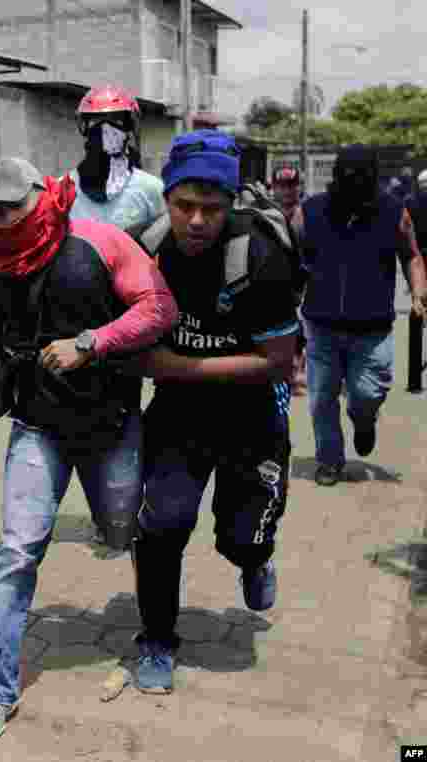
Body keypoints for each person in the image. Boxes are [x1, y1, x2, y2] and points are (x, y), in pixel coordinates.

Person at [0, 157, 177, 742]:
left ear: (44, 196)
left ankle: (155, 631)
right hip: (37, 427)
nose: (4, 219)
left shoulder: (99, 242)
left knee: (117, 530)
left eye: (14, 206)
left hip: (111, 425)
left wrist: (91, 343)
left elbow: (160, 308)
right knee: (15, 553)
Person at [125, 130, 298, 695]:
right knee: (162, 526)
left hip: (252, 417)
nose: (197, 220)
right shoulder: (144, 252)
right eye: (184, 206)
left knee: (240, 538)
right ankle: (156, 638)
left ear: (230, 205)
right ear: (167, 199)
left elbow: (275, 364)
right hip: (179, 419)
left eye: (212, 209)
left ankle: (254, 559)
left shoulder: (262, 259)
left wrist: (173, 366)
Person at [301, 146, 427, 486]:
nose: (354, 182)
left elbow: (412, 256)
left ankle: (364, 420)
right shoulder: (311, 211)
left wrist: (418, 294)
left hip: (372, 329)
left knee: (366, 394)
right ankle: (329, 461)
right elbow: (294, 261)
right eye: (348, 175)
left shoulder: (393, 212)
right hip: (321, 325)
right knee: (321, 398)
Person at [69, 86, 166, 230]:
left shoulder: (152, 189)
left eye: (116, 120)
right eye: (96, 120)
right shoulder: (63, 190)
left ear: (130, 126)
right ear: (84, 126)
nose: (106, 129)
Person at [270, 165, 308, 394]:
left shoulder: (307, 214)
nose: (287, 191)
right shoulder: (265, 214)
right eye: (282, 186)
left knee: (301, 327)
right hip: (273, 279)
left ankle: (296, 370)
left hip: (302, 279)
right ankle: (285, 372)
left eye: (291, 186)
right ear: (273, 188)